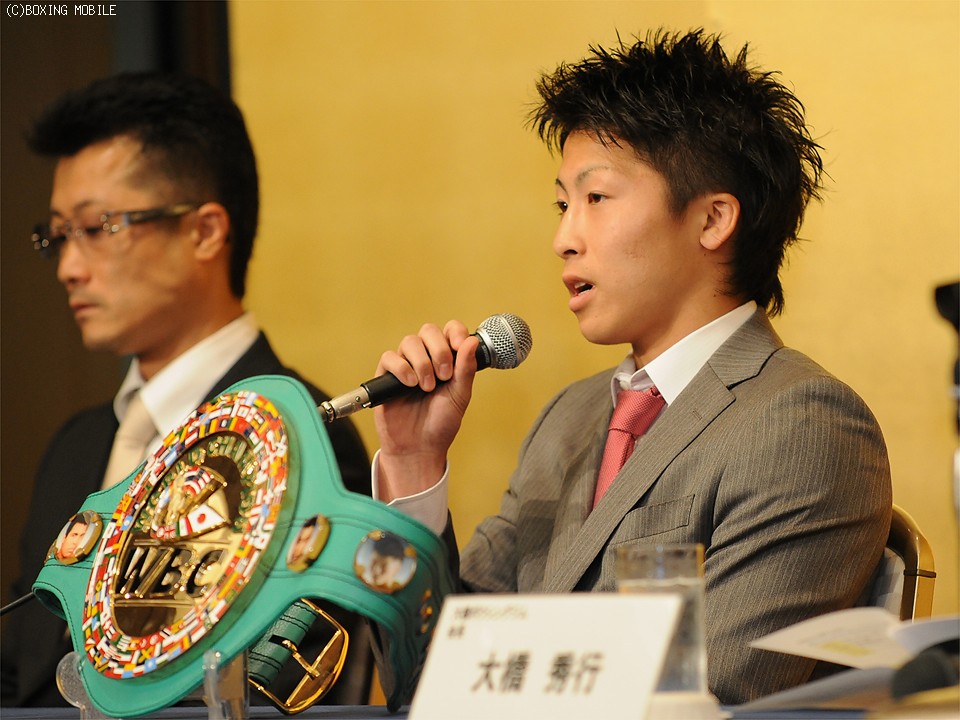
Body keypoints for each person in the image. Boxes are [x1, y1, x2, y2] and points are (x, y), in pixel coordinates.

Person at [370, 29, 892, 705]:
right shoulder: (568, 418)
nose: (563, 238)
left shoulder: (804, 424)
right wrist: (414, 465)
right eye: (563, 204)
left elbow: (708, 694)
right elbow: (426, 680)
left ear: (712, 220)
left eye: (596, 199)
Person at [1, 72, 372, 708]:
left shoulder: (297, 433)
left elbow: (272, 690)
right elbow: (19, 673)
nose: (69, 266)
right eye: (59, 234)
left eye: (98, 227)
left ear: (204, 231)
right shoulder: (76, 446)